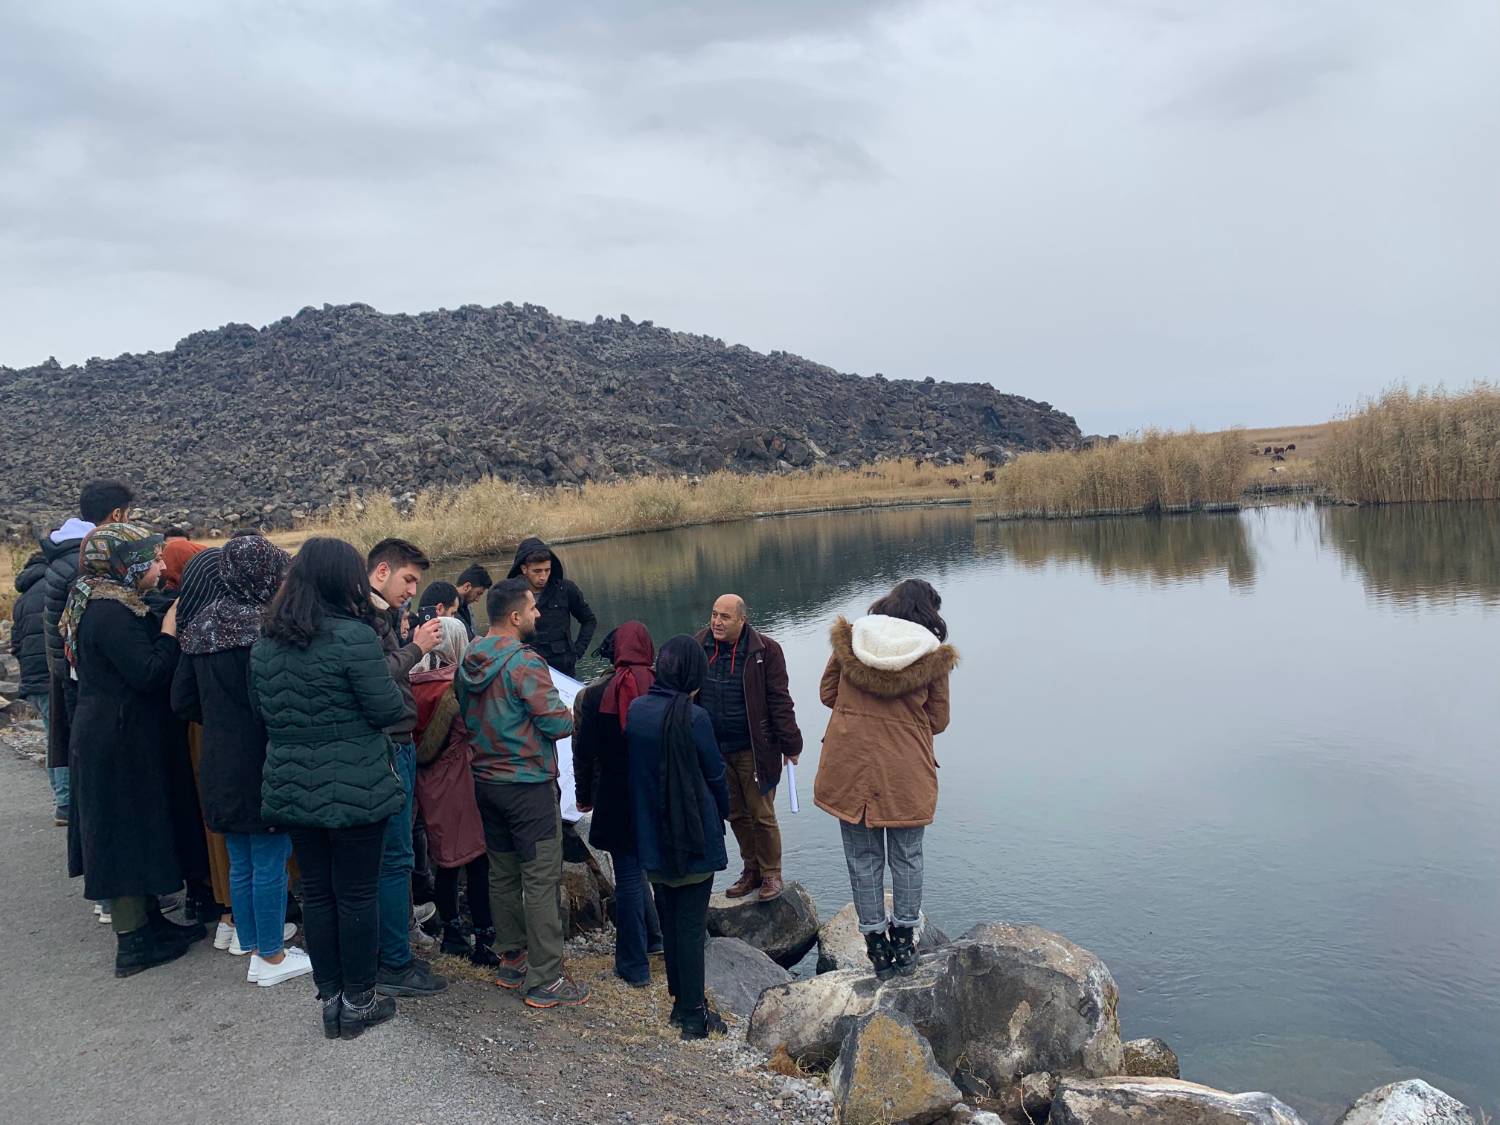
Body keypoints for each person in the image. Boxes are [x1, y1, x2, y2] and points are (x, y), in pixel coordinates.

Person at [251, 538, 408, 1039]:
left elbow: (262, 713)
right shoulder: (355, 637)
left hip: (291, 781)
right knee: (357, 892)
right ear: (345, 581)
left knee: (317, 892)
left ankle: (331, 997)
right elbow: (388, 710)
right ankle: (360, 1001)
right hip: (357, 782)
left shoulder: (265, 641)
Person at [63, 522, 209, 977]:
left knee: (136, 826)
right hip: (116, 739)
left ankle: (151, 923)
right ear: (126, 565)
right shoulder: (109, 612)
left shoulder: (101, 600)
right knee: (123, 833)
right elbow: (146, 673)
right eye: (152, 560)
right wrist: (168, 633)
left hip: (115, 733)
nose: (162, 567)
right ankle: (134, 941)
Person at [173, 534, 309, 987]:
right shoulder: (269, 630)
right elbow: (279, 701)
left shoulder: (201, 627)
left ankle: (251, 939)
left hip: (217, 758)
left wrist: (220, 718)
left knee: (241, 856)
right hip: (263, 759)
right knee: (270, 854)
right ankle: (270, 958)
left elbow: (181, 700)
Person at [813, 579, 957, 980]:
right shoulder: (931, 654)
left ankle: (875, 945)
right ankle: (905, 941)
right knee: (907, 856)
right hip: (905, 768)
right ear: (930, 612)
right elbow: (939, 721)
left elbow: (827, 694)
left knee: (862, 858)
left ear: (889, 602)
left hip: (849, 764)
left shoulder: (854, 638)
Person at [456, 577, 588, 1009]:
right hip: (527, 786)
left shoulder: (469, 657)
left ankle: (512, 961)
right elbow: (557, 724)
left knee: (503, 873)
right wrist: (573, 710)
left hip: (486, 782)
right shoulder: (524, 663)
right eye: (533, 609)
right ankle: (546, 979)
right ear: (514, 616)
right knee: (541, 878)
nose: (538, 614)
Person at [625, 635, 731, 1039]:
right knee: (689, 925)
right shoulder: (695, 718)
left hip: (651, 832)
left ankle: (678, 1002)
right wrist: (726, 811)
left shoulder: (637, 711)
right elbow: (716, 774)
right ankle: (692, 1014)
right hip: (691, 835)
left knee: (670, 919)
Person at [364, 538, 448, 998]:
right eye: (408, 579)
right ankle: (395, 960)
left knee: (395, 855)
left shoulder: (375, 615)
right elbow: (376, 676)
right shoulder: (366, 618)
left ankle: (395, 948)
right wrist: (415, 648)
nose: (412, 590)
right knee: (395, 857)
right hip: (390, 748)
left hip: (395, 744)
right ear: (381, 571)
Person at [41, 479, 134, 847]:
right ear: (116, 515)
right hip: (91, 688)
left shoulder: (59, 556)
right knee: (101, 784)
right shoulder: (87, 561)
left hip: (70, 678)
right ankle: (109, 882)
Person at [693, 595, 802, 902]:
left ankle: (771, 874)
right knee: (735, 813)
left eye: (724, 617)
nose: (716, 621)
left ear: (742, 619)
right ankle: (750, 870)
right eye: (714, 614)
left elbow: (780, 699)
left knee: (762, 814)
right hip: (715, 749)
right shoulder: (699, 644)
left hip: (754, 749)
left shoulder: (765, 651)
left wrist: (790, 743)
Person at [573, 622, 657, 986]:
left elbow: (584, 753)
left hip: (616, 796)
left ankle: (634, 965)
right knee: (664, 874)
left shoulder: (593, 696)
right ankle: (671, 940)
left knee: (627, 878)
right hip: (658, 796)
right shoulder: (665, 687)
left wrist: (583, 796)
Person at [410, 616, 497, 966]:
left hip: (427, 782)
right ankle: (484, 937)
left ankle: (452, 933)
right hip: (461, 780)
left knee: (444, 861)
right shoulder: (458, 685)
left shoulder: (414, 682)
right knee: (477, 861)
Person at [505, 538, 596, 678]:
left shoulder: (565, 589)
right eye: (537, 571)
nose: (543, 576)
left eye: (547, 570)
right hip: (526, 668)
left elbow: (589, 620)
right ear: (524, 569)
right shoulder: (511, 594)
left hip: (563, 667)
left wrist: (577, 652)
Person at [10, 549, 54, 819]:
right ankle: (66, 801)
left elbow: (16, 642)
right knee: (63, 738)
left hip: (32, 678)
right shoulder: (56, 587)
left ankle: (60, 798)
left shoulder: (23, 599)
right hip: (53, 676)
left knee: (51, 737)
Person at [452, 565, 492, 640]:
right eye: (478, 593)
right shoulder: (450, 608)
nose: (477, 600)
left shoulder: (465, 606)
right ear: (467, 587)